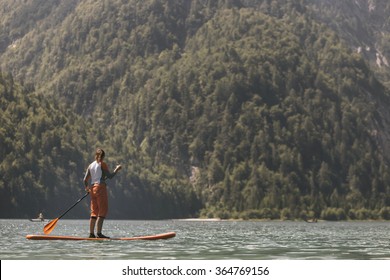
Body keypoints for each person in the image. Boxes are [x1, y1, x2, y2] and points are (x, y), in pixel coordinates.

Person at [83, 148, 121, 238]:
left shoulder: (90, 165)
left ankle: (91, 234)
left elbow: (85, 180)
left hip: (92, 189)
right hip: (100, 188)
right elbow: (110, 176)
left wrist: (87, 188)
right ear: (103, 156)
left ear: (95, 155)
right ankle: (99, 234)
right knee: (102, 211)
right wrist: (117, 169)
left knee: (94, 212)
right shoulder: (102, 164)